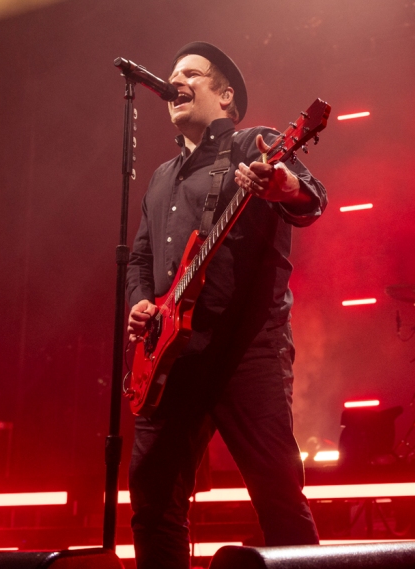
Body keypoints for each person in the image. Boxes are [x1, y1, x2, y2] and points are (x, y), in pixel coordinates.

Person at [125, 42, 324, 569]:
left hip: (246, 352)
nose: (176, 82)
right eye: (172, 75)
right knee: (152, 503)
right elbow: (140, 258)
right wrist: (142, 303)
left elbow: (312, 198)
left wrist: (282, 184)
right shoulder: (161, 178)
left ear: (226, 95)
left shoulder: (252, 145)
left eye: (190, 74)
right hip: (173, 358)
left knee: (279, 497)